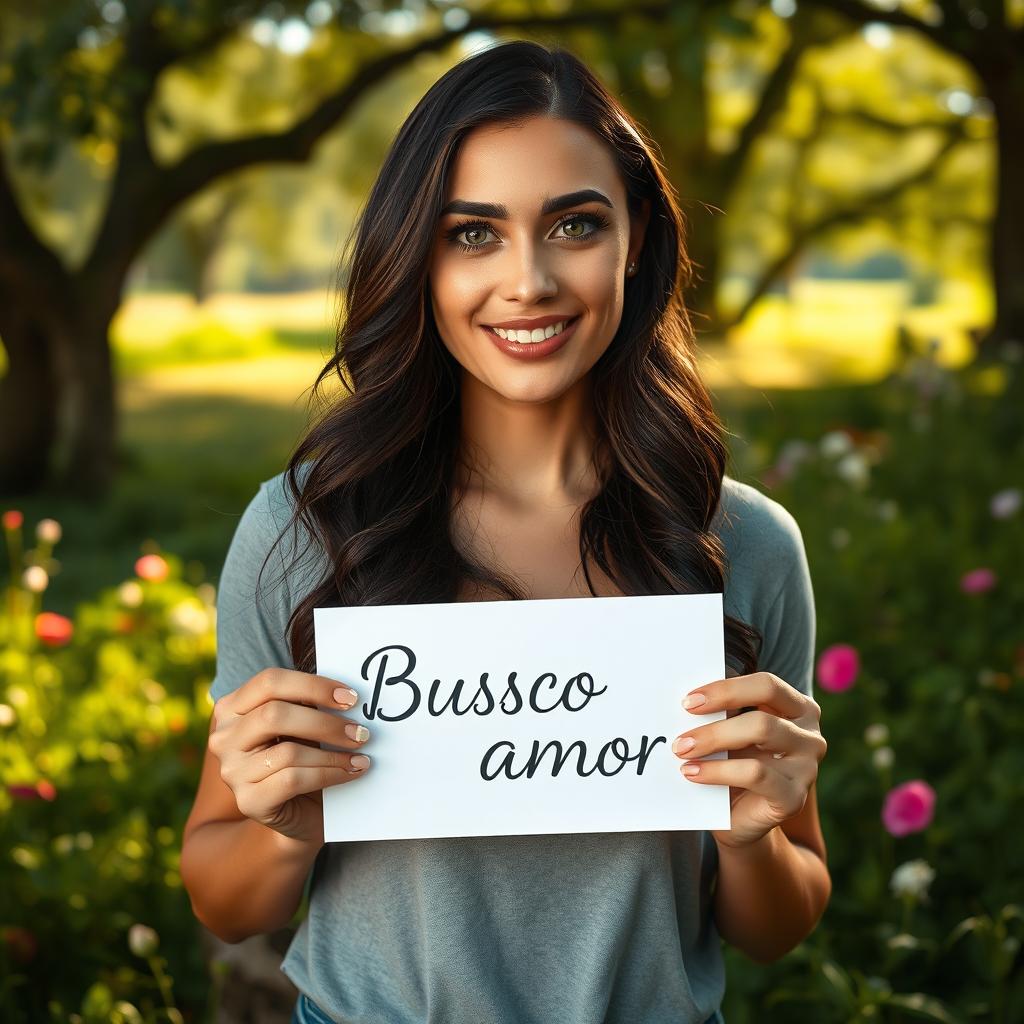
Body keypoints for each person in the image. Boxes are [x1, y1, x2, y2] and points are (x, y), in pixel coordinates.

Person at [180, 39, 830, 1024]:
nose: (527, 281)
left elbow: (779, 921)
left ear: (636, 234)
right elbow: (223, 896)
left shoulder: (748, 544)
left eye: (574, 223)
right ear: (417, 254)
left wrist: (750, 838)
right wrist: (282, 829)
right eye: (472, 233)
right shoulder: (304, 530)